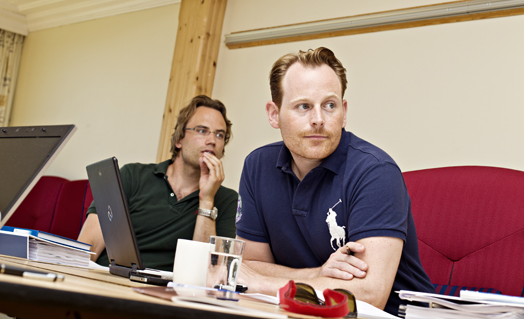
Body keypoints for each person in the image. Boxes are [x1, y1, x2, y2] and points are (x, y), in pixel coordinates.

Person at [235, 47, 435, 315]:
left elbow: (367, 294)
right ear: (274, 114)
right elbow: (248, 265)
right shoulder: (257, 166)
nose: (318, 120)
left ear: (344, 111)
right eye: (303, 106)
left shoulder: (376, 172)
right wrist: (318, 273)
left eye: (329, 105)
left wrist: (261, 283)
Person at [78, 95, 238, 271]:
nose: (212, 140)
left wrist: (207, 200)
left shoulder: (226, 200)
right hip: (105, 279)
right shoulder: (132, 175)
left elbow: (207, 272)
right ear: (179, 139)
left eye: (220, 134)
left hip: (160, 293)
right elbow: (87, 248)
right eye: (202, 130)